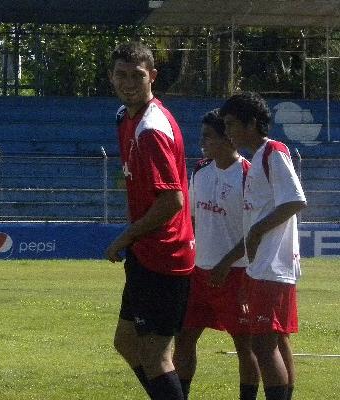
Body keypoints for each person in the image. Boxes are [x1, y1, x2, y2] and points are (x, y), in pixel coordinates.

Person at [106, 41, 195, 400]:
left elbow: (171, 200)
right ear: (111, 77)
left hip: (165, 257)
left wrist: (125, 236)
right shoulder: (125, 117)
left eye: (137, 76)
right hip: (147, 254)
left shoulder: (152, 129)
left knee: (157, 356)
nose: (128, 82)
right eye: (121, 75)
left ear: (152, 77)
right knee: (127, 342)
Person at [216, 91, 306, 400]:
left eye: (230, 124)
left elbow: (295, 200)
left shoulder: (272, 152)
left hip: (273, 265)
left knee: (263, 345)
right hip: (263, 266)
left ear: (251, 123)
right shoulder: (256, 161)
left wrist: (255, 233)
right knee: (276, 342)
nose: (226, 131)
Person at [171, 110, 260, 400]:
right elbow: (192, 219)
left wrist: (226, 262)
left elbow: (256, 231)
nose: (202, 141)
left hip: (237, 273)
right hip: (198, 272)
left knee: (245, 345)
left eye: (208, 136)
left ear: (227, 137)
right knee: (184, 338)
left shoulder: (248, 175)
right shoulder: (200, 171)